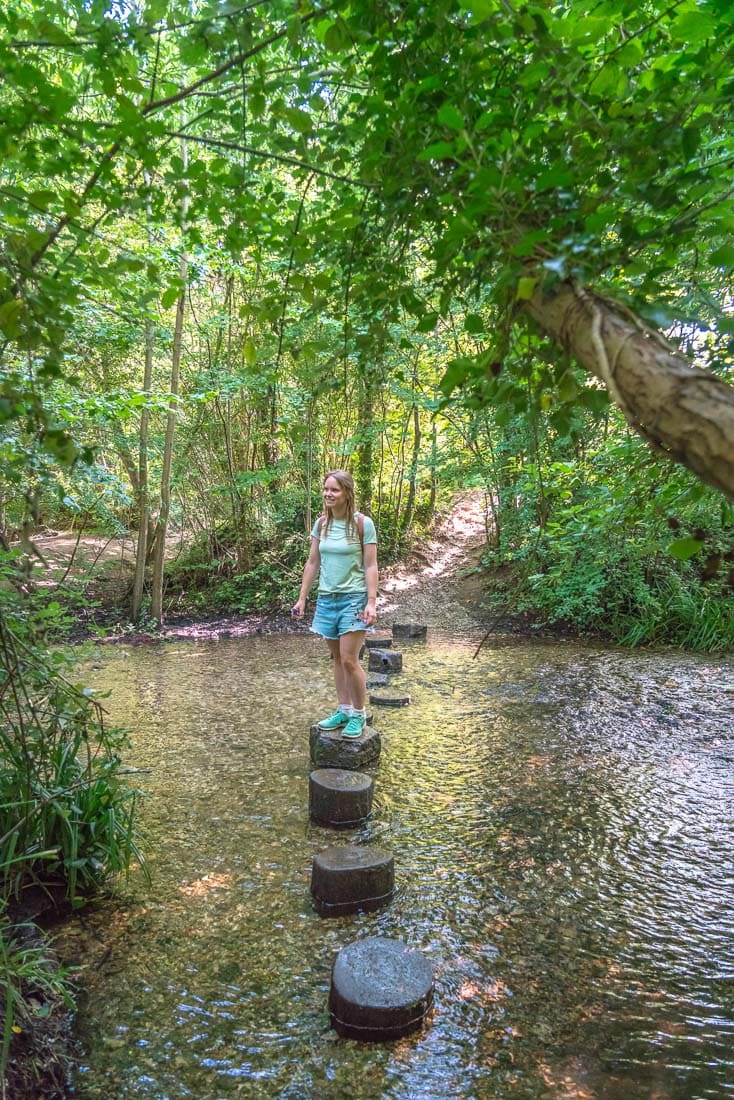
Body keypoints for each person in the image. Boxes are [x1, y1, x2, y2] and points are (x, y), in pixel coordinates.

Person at [292, 470, 378, 739]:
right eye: (326, 489)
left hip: (354, 599)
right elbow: (313, 562)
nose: (328, 494)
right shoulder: (322, 524)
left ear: (347, 493)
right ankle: (343, 709)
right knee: (337, 659)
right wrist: (302, 598)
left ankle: (359, 714)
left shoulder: (363, 524)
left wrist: (372, 603)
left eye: (334, 490)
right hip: (327, 599)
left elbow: (371, 564)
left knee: (351, 660)